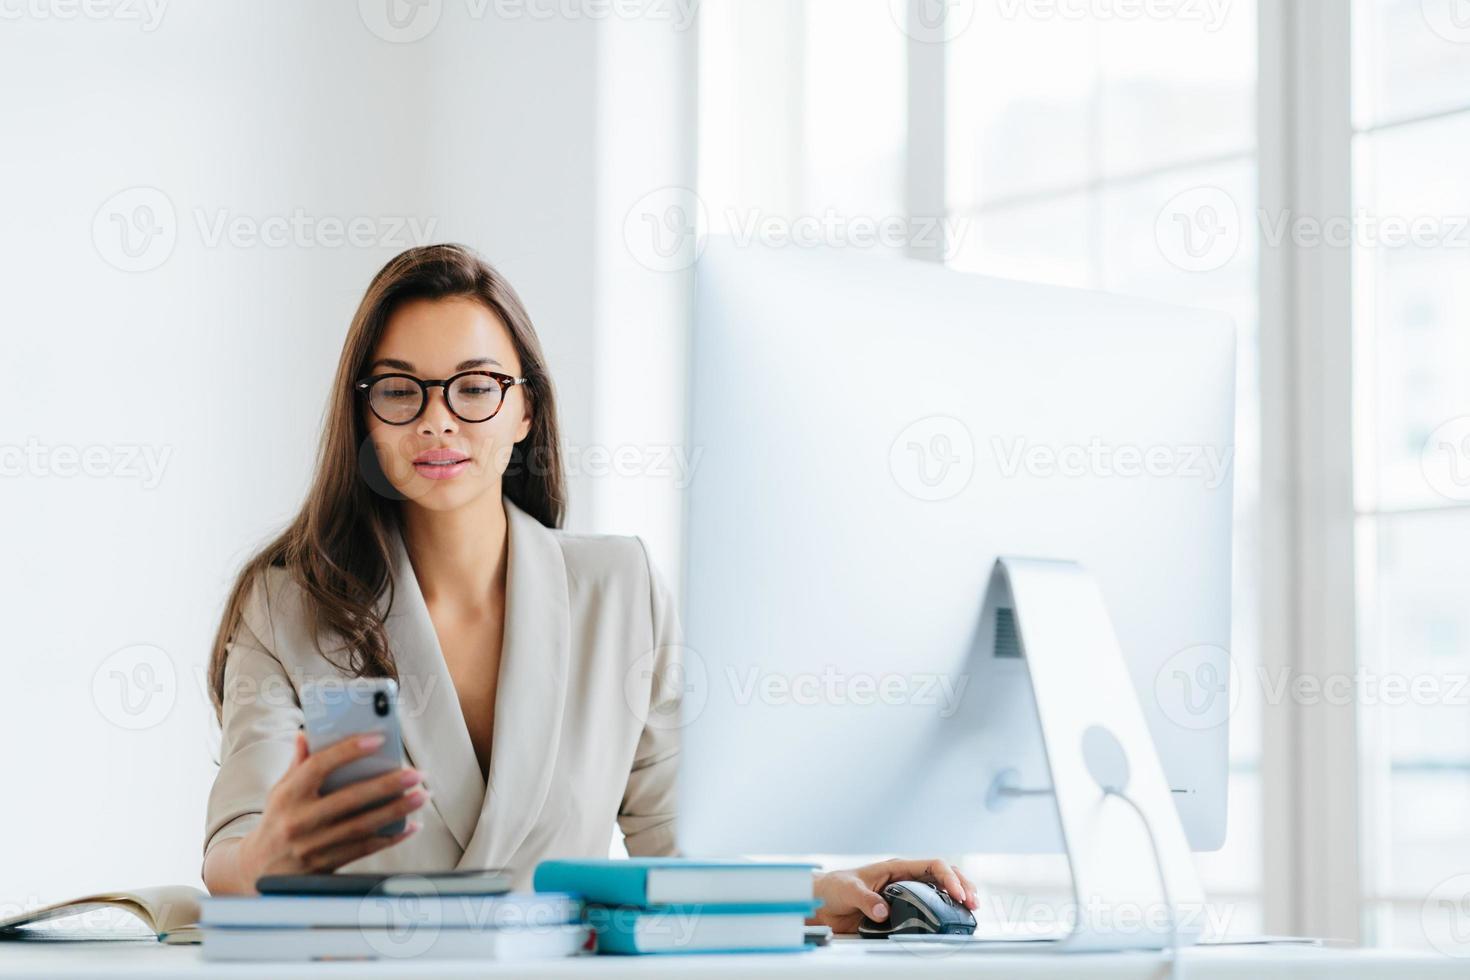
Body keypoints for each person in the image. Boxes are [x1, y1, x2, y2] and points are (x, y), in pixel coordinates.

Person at [200, 244, 977, 928]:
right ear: (365, 415)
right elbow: (231, 858)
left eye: (475, 387)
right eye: (401, 390)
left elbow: (675, 853)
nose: (438, 422)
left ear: (525, 409)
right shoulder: (289, 607)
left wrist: (825, 889)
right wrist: (272, 853)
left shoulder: (620, 589)